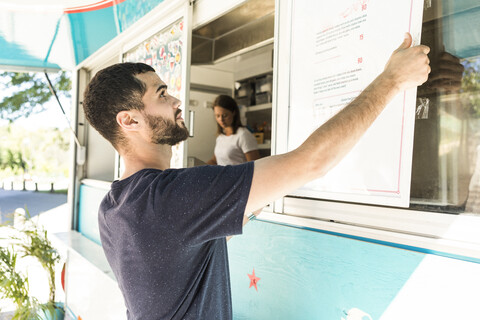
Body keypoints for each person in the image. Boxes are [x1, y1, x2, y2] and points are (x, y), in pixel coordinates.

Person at [82, 33, 430, 319]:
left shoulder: (114, 206)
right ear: (129, 121)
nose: (175, 101)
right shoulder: (172, 197)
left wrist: (235, 209)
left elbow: (174, 257)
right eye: (161, 94)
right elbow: (312, 162)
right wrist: (393, 79)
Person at [207, 95, 260, 165]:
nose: (221, 119)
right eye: (217, 116)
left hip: (239, 176)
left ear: (233, 112)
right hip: (223, 176)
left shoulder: (243, 135)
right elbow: (214, 160)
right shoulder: (221, 137)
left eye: (225, 115)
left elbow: (255, 166)